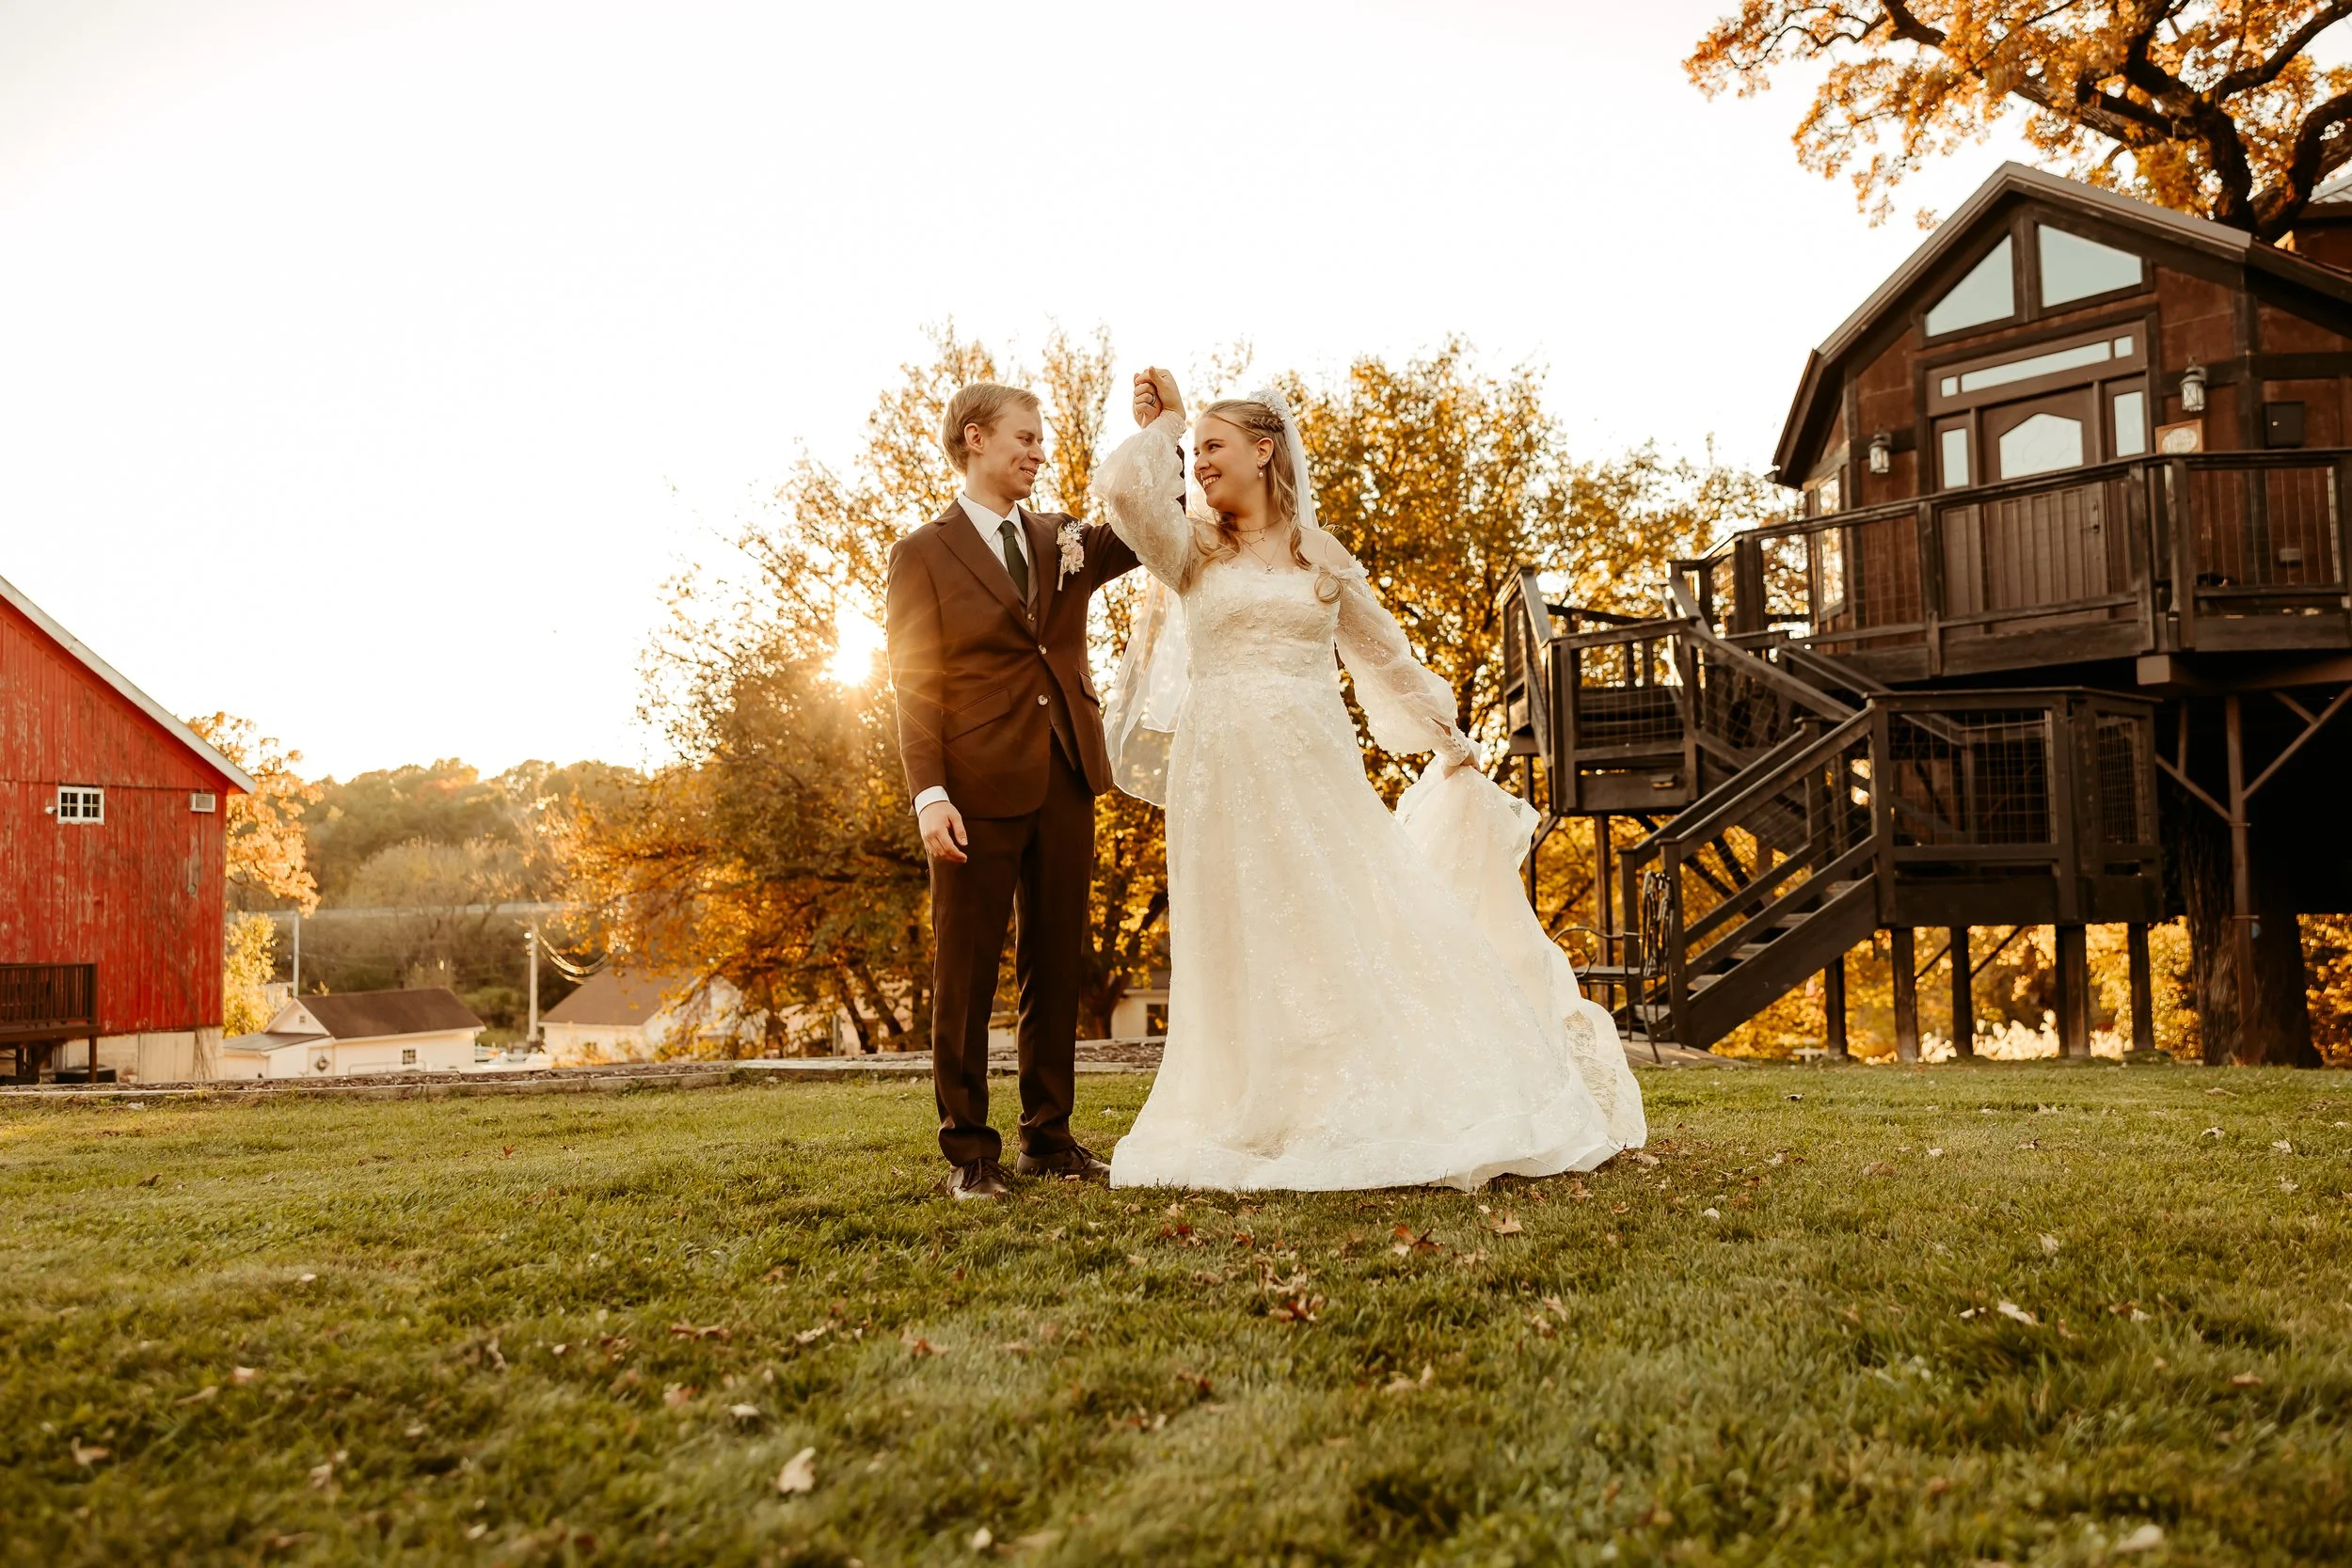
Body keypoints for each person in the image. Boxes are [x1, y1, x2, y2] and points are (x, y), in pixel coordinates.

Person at [1089, 368, 1645, 1191]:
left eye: (1213, 445)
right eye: (1194, 450)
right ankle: (1257, 1097)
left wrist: (1447, 736)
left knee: (1334, 912)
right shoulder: (1193, 550)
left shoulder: (1323, 555)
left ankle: (1348, 1089)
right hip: (1221, 771)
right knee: (1240, 926)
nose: (1198, 463)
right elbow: (1130, 496)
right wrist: (1167, 422)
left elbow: (1384, 654)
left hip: (1313, 760)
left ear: (1264, 449)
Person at [883, 383, 1142, 1201]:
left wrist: (1162, 432)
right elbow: (913, 685)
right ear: (975, 438)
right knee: (965, 974)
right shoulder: (922, 552)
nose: (1039, 452)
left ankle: (1049, 1138)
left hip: (1067, 771)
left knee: (1054, 966)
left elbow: (1147, 529)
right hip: (973, 787)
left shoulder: (1064, 536)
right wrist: (929, 794)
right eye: (1026, 439)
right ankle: (969, 1153)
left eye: (1042, 441)